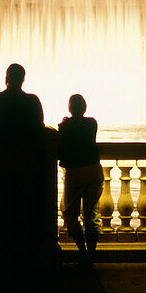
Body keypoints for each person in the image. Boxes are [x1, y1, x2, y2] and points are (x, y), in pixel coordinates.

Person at [58, 94, 103, 267]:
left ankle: (82, 253)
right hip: (94, 169)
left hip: (75, 171)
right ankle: (91, 254)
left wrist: (64, 122)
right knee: (91, 214)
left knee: (70, 214)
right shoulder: (92, 123)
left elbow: (63, 144)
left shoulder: (64, 126)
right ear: (84, 108)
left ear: (70, 108)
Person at [0, 63, 44, 143]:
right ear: (23, 79)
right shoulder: (33, 100)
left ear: (7, 78)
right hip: (26, 150)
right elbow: (39, 126)